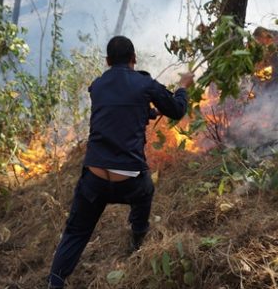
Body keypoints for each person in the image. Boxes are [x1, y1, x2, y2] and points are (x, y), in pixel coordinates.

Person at [47, 36, 194, 288]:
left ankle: (55, 282)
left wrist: (147, 112)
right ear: (134, 59)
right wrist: (183, 87)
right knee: (145, 192)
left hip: (94, 180)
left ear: (107, 61)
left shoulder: (97, 86)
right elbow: (177, 110)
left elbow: (115, 111)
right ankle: (137, 241)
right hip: (130, 182)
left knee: (75, 232)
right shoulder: (144, 83)